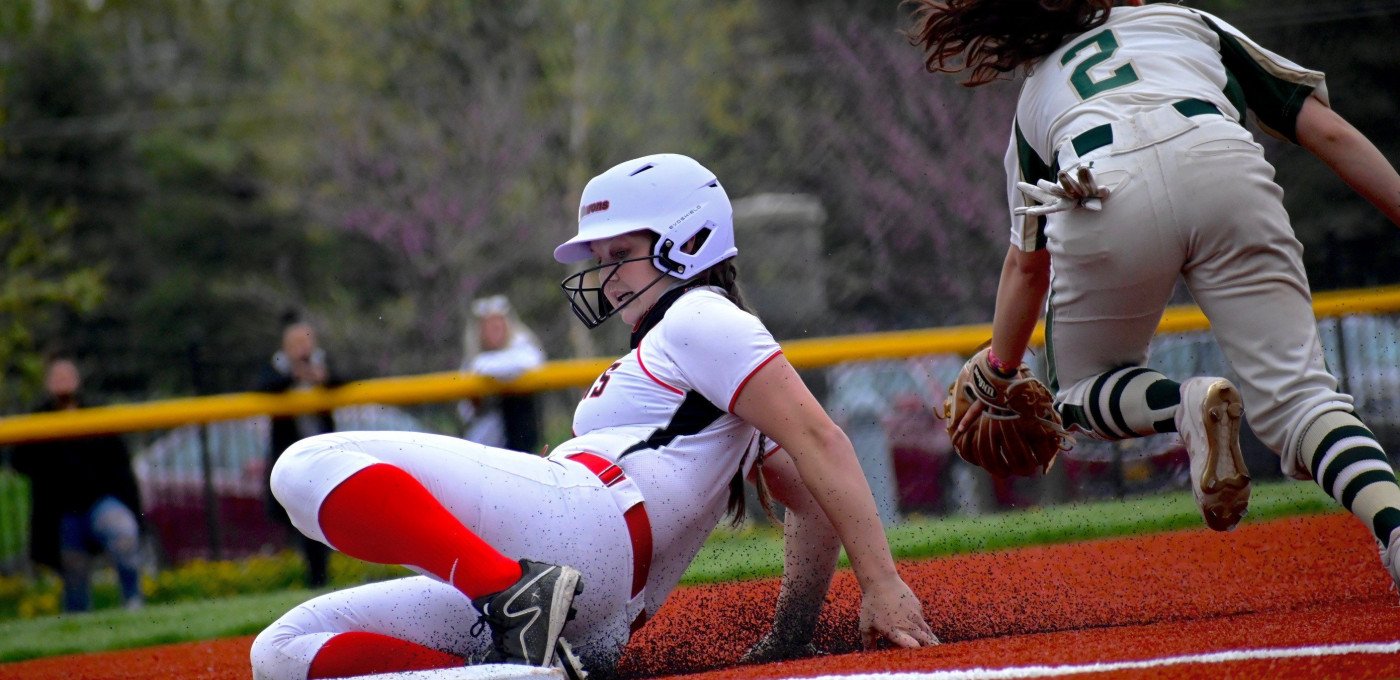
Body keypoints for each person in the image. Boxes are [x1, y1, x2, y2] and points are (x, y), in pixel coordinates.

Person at [249, 153, 936, 679]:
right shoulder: (690, 350)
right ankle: (529, 664)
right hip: (597, 608)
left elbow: (822, 439)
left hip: (583, 528)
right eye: (600, 259)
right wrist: (794, 631)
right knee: (276, 653)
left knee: (305, 465)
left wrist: (881, 582)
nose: (605, 274)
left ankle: (510, 597)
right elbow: (807, 494)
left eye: (620, 254)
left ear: (688, 240)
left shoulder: (699, 314)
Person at [908, 0, 1400, 587]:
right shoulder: (1187, 21)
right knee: (1303, 401)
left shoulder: (1036, 93)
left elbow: (1026, 265)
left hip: (1104, 186)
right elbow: (1330, 132)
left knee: (1076, 389)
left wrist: (999, 369)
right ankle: (1393, 528)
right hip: (1221, 162)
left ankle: (1184, 404)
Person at [10, 356, 145, 612]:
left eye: (67, 375)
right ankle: (79, 621)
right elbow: (20, 463)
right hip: (64, 511)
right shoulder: (40, 419)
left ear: (78, 380)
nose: (62, 382)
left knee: (123, 532)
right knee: (74, 570)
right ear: (47, 383)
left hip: (100, 501)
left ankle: (133, 600)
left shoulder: (94, 413)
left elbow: (120, 462)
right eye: (56, 376)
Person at [255, 317, 342, 589]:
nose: (303, 349)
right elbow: (263, 387)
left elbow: (345, 380)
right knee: (298, 519)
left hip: (323, 454)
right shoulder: (277, 367)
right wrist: (294, 375)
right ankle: (312, 579)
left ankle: (320, 579)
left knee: (323, 514)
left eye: (306, 342)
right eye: (296, 344)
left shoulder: (323, 362)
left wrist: (322, 378)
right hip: (291, 456)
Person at [458, 294, 546, 452]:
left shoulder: (521, 342)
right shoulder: (472, 358)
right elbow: (466, 411)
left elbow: (533, 360)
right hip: (486, 441)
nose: (494, 328)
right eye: (488, 325)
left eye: (498, 322)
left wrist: (490, 371)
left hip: (520, 437)